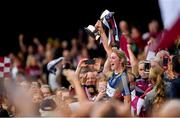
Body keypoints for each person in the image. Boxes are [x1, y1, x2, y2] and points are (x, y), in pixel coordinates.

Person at [95, 20, 130, 103]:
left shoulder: (123, 78)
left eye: (113, 58)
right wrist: (101, 30)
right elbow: (107, 48)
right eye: (110, 58)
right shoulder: (115, 73)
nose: (110, 61)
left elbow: (127, 100)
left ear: (121, 60)